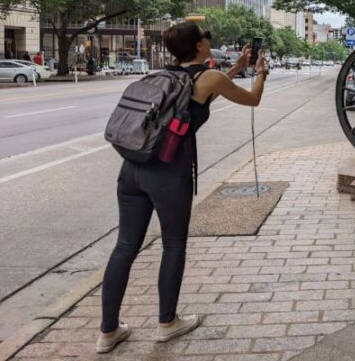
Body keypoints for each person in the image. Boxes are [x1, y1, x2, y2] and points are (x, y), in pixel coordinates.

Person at [96, 22, 269, 354]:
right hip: (168, 173)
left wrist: (237, 67)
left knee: (124, 248)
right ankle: (167, 322)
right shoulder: (206, 77)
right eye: (207, 37)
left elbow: (209, 88)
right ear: (200, 47)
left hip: (131, 170)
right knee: (173, 246)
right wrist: (259, 72)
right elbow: (253, 99)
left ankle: (107, 332)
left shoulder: (163, 77)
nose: (209, 40)